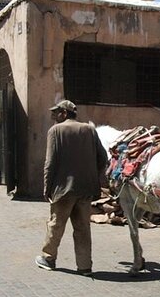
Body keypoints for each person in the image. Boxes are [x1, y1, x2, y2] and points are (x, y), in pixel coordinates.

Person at [35, 99, 108, 276]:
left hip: (63, 189)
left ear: (64, 113)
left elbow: (50, 163)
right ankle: (84, 266)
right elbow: (103, 157)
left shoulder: (55, 131)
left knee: (56, 225)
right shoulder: (89, 130)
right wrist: (94, 176)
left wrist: (47, 187)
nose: (54, 116)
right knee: (83, 228)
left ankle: (48, 258)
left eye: (56, 113)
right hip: (85, 189)